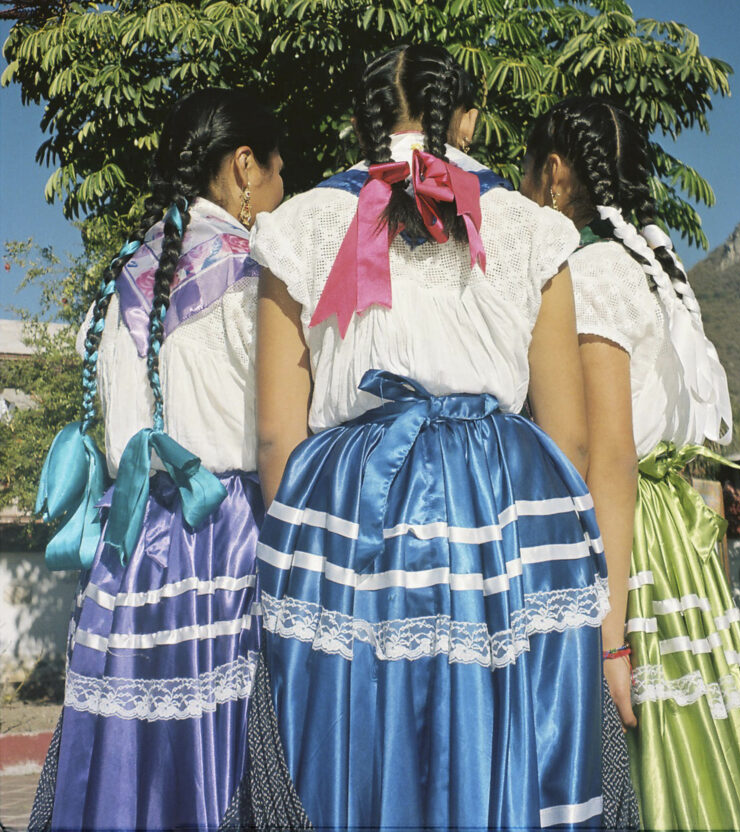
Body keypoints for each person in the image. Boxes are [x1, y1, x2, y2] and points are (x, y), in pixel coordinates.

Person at [236, 43, 609, 832]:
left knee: (352, 734)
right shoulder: (532, 228)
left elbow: (276, 434)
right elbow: (570, 438)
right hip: (498, 502)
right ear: (467, 118)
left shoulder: (298, 222)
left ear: (357, 121)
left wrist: (302, 557)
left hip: (349, 503)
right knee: (492, 722)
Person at [522, 96, 740, 832]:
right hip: (673, 547)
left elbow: (610, 454)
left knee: (633, 753)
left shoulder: (589, 269)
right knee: (703, 753)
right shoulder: (649, 269)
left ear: (553, 176)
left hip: (626, 549)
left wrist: (610, 634)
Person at [30, 90, 308, 832]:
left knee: (135, 761)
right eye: (280, 170)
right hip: (228, 542)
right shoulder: (256, 280)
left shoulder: (119, 286)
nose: (284, 191)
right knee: (235, 753)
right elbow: (282, 432)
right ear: (245, 167)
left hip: (135, 551)